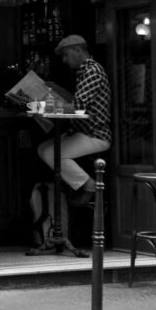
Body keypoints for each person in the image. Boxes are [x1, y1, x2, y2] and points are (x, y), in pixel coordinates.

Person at [36, 34, 112, 208]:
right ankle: (79, 182)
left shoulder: (92, 72)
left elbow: (76, 107)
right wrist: (57, 89)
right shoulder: (85, 71)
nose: (64, 60)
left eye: (66, 54)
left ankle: (88, 185)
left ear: (78, 50)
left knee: (50, 154)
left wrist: (41, 108)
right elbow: (76, 101)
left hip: (95, 134)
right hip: (83, 132)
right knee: (43, 149)